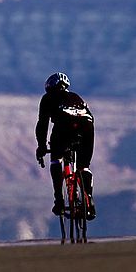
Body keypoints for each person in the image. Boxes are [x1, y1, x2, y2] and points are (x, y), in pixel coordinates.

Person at [35, 72, 96, 219]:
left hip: (64, 127)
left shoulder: (48, 98)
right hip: (87, 126)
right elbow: (89, 116)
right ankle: (89, 202)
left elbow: (42, 125)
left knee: (56, 159)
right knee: (84, 167)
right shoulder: (76, 97)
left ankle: (59, 201)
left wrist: (42, 147)